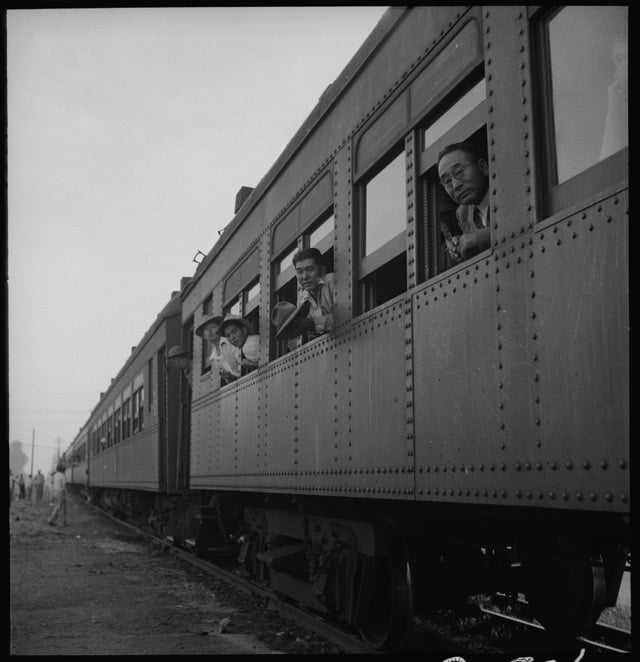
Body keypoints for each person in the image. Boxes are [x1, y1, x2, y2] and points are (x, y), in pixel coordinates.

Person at [437, 141, 491, 265]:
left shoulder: (506, 190)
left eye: (460, 172)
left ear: (483, 167)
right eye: (447, 181)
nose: (455, 185)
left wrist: (476, 239)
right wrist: (458, 247)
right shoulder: (462, 213)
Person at [272, 247, 335, 344]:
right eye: (300, 271)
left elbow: (343, 318)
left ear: (322, 270)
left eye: (310, 269)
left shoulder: (332, 282)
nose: (305, 276)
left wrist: (312, 323)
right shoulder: (302, 299)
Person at [194, 314, 240, 385]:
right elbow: (230, 378)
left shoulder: (230, 341)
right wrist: (228, 377)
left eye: (213, 327)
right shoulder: (214, 355)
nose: (210, 331)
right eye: (206, 329)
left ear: (220, 329)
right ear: (204, 336)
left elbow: (242, 361)